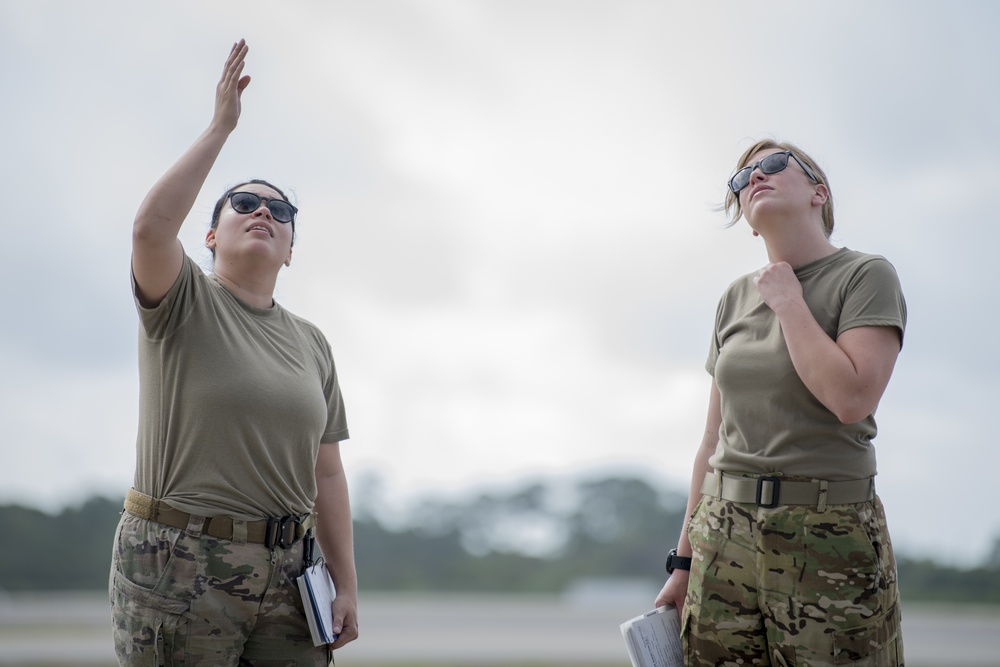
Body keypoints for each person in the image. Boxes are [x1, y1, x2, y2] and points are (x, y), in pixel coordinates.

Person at [109, 39, 358, 665]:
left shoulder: (311, 342)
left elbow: (326, 471)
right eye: (244, 204)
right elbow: (149, 230)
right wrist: (221, 127)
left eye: (280, 211)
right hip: (180, 561)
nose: (263, 212)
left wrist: (344, 579)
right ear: (213, 235)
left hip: (289, 573)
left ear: (292, 249)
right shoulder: (184, 297)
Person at [654, 140, 906, 666]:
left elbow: (851, 397)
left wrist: (789, 301)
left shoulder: (865, 276)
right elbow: (711, 440)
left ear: (819, 192)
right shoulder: (733, 298)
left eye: (771, 165)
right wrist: (683, 561)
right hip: (723, 534)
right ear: (747, 218)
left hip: (827, 531)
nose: (754, 177)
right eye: (741, 177)